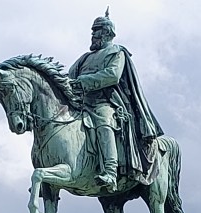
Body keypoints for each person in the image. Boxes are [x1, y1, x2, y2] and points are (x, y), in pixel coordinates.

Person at [68, 10, 163, 190]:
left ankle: (110, 172)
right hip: (81, 102)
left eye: (96, 31)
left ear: (107, 33)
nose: (92, 35)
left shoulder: (116, 52)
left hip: (106, 102)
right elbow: (70, 76)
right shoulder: (84, 58)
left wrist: (83, 81)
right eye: (92, 31)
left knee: (104, 122)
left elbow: (112, 75)